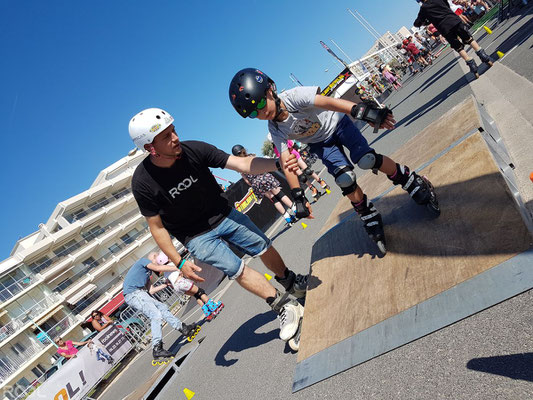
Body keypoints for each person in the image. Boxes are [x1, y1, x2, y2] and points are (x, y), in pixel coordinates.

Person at [127, 108, 306, 351]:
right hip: (195, 236)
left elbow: (241, 163)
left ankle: (291, 281)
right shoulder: (142, 182)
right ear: (151, 148)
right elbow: (157, 228)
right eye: (166, 136)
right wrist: (178, 262)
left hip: (223, 214)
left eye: (174, 130)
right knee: (236, 269)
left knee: (262, 246)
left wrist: (277, 162)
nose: (175, 137)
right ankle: (284, 306)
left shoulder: (194, 149)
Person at [229, 69, 440, 255]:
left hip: (339, 124)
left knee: (367, 160)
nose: (262, 112)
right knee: (345, 178)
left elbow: (329, 102)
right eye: (254, 113)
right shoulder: (274, 129)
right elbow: (286, 162)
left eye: (261, 103)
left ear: (270, 89)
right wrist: (298, 196)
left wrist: (363, 111)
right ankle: (367, 212)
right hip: (322, 144)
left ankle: (411, 180)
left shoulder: (293, 97)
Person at [123, 253, 200, 361]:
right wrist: (177, 267)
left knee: (162, 307)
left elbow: (151, 290)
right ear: (153, 258)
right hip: (133, 294)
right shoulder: (143, 261)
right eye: (157, 257)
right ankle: (157, 348)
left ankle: (183, 328)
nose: (160, 259)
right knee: (156, 315)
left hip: (140, 293)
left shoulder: (147, 273)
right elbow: (158, 267)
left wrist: (165, 285)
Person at [414, 0, 493, 78]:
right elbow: (447, 5)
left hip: (444, 28)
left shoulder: (423, 9)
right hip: (453, 20)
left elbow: (416, 23)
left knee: (458, 47)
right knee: (469, 39)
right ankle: (484, 56)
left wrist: (426, 21)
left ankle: (472, 66)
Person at [232, 144, 298, 226]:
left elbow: (247, 181)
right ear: (244, 149)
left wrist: (254, 183)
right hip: (264, 176)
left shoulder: (239, 167)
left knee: (274, 199)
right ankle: (295, 209)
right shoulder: (251, 157)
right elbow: (262, 166)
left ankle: (287, 217)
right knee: (279, 194)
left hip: (256, 183)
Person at [153, 251, 224, 321]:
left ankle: (207, 312)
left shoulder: (165, 272)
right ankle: (213, 307)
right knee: (200, 291)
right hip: (181, 282)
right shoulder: (172, 264)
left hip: (176, 287)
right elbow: (183, 269)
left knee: (196, 295)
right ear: (168, 259)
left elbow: (167, 282)